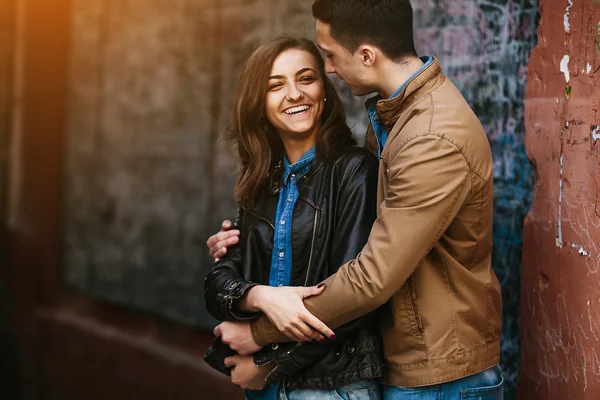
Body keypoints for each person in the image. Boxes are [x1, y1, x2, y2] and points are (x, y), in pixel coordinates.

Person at [206, 0, 505, 399]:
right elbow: (232, 273)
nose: (330, 69)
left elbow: (369, 279)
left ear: (365, 55)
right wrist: (246, 279)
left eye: (328, 56)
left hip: (439, 375)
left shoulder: (431, 135)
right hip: (414, 366)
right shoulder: (396, 119)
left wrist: (262, 338)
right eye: (274, 84)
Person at [203, 36, 386, 400]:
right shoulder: (261, 182)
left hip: (332, 387)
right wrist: (261, 297)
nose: (294, 94)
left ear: (323, 89)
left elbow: (353, 304)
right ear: (259, 101)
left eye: (306, 78)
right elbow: (218, 282)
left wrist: (268, 365)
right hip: (264, 389)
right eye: (276, 85)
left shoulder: (354, 171)